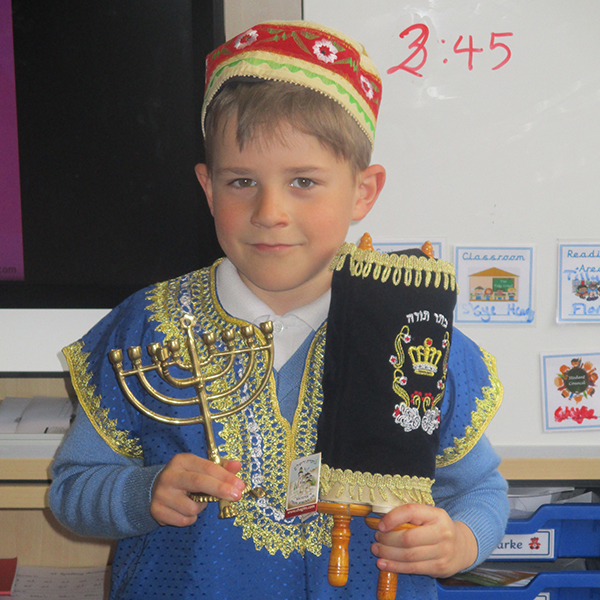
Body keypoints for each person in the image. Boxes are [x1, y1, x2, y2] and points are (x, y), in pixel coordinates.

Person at [50, 20, 509, 600]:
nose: (269, 210)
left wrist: (459, 542)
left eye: (303, 181)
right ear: (207, 187)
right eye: (241, 180)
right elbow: (73, 489)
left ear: (363, 192)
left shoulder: (414, 329)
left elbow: (480, 491)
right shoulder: (146, 327)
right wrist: (141, 495)